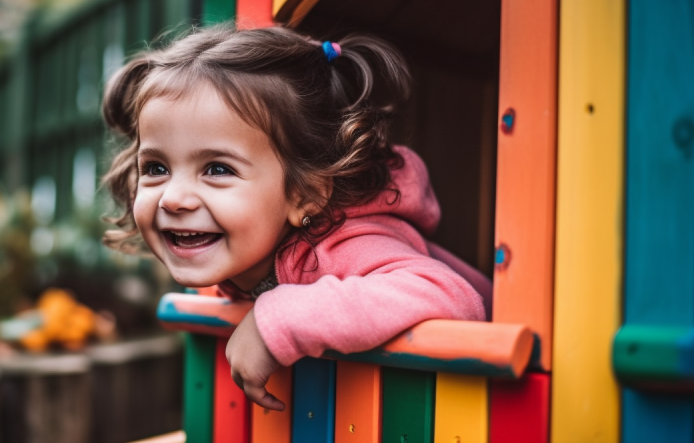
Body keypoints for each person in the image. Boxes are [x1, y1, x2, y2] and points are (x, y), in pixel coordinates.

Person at [101, 26, 490, 411]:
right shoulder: (247, 251)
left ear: (304, 194)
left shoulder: (342, 245)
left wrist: (280, 322)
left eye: (218, 169)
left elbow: (452, 297)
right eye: (155, 167)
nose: (173, 198)